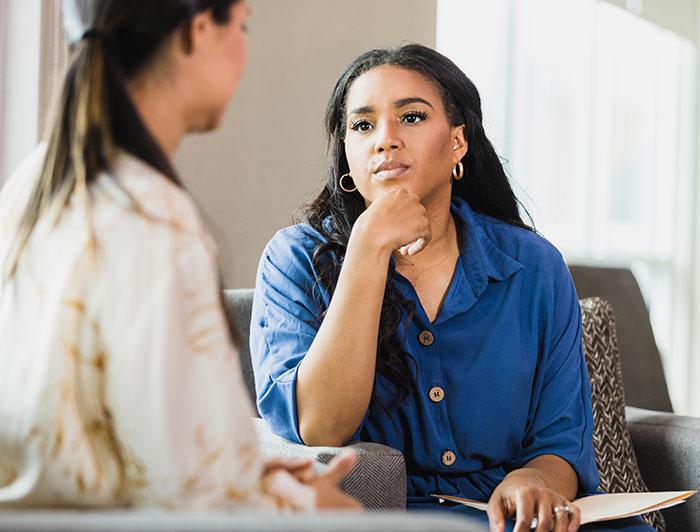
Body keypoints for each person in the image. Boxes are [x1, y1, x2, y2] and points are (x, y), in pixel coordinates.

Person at [250, 44, 654, 531]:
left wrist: (532, 481)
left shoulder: (533, 266)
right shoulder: (294, 259)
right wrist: (368, 249)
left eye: (412, 117)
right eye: (362, 125)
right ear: (347, 159)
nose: (385, 140)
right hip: (390, 517)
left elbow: (561, 441)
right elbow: (320, 426)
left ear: (458, 142)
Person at [0, 0, 359, 511]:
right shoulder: (151, 217)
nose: (243, 52)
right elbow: (188, 497)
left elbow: (131, 432)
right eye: (242, 26)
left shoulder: (36, 183)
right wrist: (298, 507)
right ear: (196, 31)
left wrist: (251, 474)